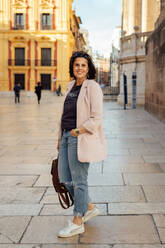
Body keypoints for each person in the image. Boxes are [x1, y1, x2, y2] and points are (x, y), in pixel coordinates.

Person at [57, 51, 107, 238]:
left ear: (88, 69)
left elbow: (97, 118)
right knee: (64, 178)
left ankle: (78, 221)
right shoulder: (70, 86)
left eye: (83, 65)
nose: (79, 68)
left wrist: (77, 131)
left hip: (79, 138)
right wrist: (60, 137)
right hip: (65, 137)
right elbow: (64, 115)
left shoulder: (92, 87)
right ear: (72, 67)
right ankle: (89, 207)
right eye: (76, 65)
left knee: (79, 181)